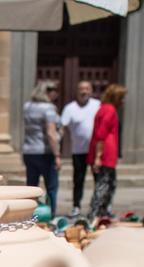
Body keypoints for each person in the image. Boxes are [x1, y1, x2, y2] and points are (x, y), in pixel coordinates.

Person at [60, 80, 100, 218]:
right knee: (78, 179)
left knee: (98, 179)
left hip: (95, 151)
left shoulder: (97, 105)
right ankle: (76, 206)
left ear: (91, 90)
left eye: (87, 89)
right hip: (78, 150)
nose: (84, 91)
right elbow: (62, 127)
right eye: (81, 89)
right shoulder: (70, 108)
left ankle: (97, 207)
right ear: (77, 91)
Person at [87, 84, 127, 221]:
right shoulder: (109, 110)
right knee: (103, 186)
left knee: (109, 184)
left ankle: (102, 212)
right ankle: (95, 213)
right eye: (121, 98)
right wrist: (98, 157)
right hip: (105, 155)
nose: (123, 101)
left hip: (105, 154)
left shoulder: (103, 109)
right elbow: (101, 134)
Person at [22, 80, 62, 216]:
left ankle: (29, 214)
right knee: (51, 187)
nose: (56, 94)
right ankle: (50, 216)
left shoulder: (27, 106)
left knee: (31, 187)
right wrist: (57, 155)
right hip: (45, 152)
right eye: (54, 91)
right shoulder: (48, 108)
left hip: (29, 151)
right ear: (47, 92)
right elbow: (51, 133)